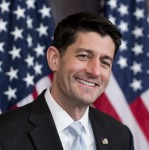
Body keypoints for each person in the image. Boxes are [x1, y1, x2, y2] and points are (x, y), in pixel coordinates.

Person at [0, 11, 134, 150]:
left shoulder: (121, 136)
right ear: (54, 59)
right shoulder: (5, 133)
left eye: (105, 62)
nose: (95, 71)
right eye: (84, 56)